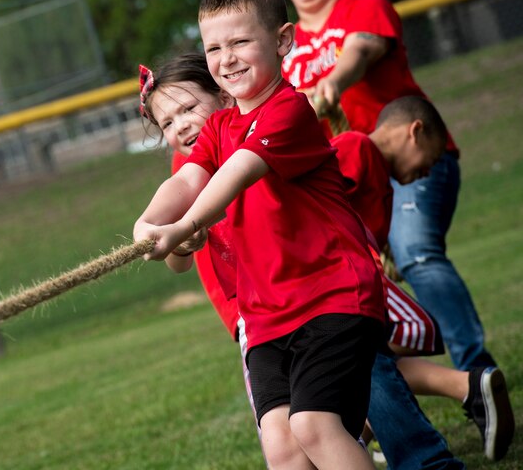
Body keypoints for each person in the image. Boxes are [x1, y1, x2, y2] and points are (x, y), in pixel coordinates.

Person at [139, 52, 466, 469]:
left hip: (321, 294)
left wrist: (184, 224)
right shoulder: (189, 165)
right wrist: (167, 237)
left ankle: (427, 459)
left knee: (344, 398)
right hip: (258, 317)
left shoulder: (265, 130)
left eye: (188, 109)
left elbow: (253, 174)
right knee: (284, 444)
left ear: (224, 95)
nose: (180, 124)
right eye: (167, 122)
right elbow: (179, 252)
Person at [134, 0, 385, 470]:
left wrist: (184, 229)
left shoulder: (289, 110)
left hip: (331, 296)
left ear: (283, 40)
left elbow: (237, 173)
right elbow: (188, 182)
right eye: (213, 47)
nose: (226, 58)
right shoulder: (221, 126)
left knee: (314, 425)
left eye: (241, 41)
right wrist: (148, 222)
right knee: (282, 446)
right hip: (267, 316)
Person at [280, 0, 496, 373]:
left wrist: (332, 85)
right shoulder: (286, 47)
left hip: (409, 161)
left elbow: (362, 50)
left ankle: (478, 372)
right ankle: (383, 405)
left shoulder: (364, 4)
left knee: (414, 250)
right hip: (351, 183)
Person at [333, 95, 515, 462]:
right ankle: (461, 390)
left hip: (353, 286)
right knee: (374, 355)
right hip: (336, 281)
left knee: (381, 352)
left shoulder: (385, 186)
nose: (429, 172)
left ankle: (369, 436)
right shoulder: (356, 146)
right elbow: (319, 200)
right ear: (415, 132)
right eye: (431, 159)